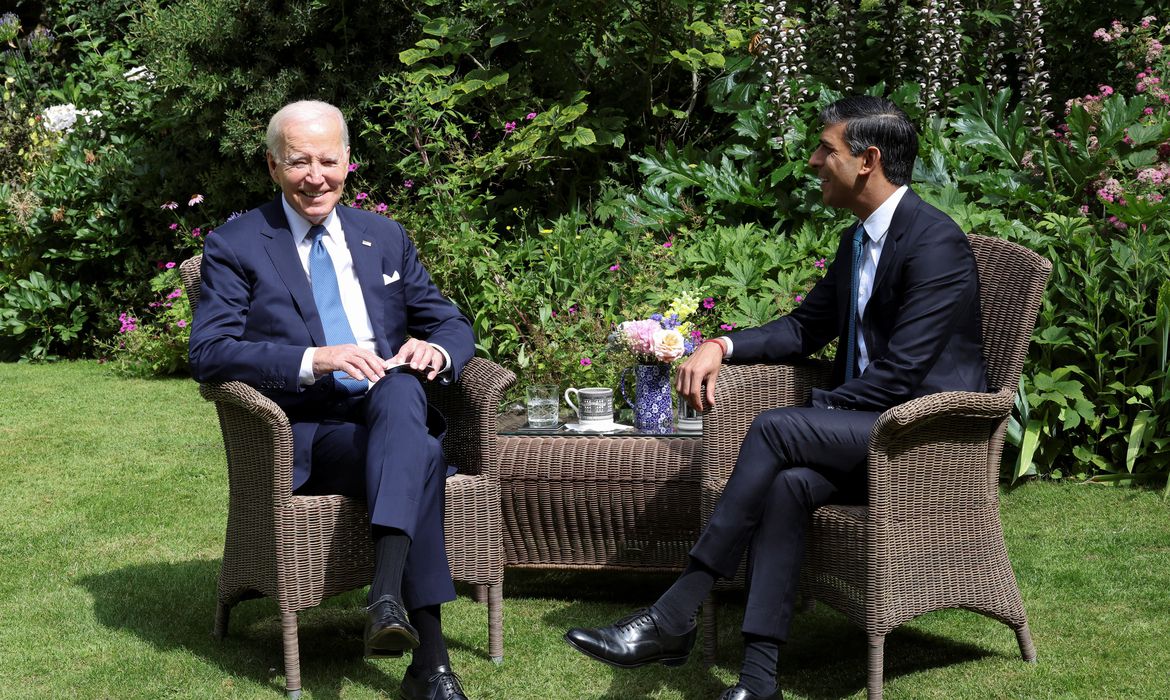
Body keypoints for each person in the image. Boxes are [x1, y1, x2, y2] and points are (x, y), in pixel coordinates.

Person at [564, 95, 986, 700]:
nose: (814, 161)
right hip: (870, 434)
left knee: (775, 428)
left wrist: (815, 414)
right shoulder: (859, 242)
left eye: (827, 150)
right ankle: (758, 681)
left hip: (926, 438)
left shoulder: (934, 243)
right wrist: (720, 344)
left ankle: (674, 613)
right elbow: (803, 328)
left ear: (868, 160)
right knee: (788, 486)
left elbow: (901, 375)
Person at [189, 100, 476, 700]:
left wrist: (437, 354)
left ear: (349, 162)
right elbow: (210, 352)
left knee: (400, 388)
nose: (315, 175)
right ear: (272, 165)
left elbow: (449, 322)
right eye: (298, 162)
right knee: (420, 454)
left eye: (328, 160)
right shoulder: (237, 244)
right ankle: (428, 659)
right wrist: (311, 359)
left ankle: (391, 603)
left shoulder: (384, 236)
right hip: (312, 432)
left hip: (387, 405)